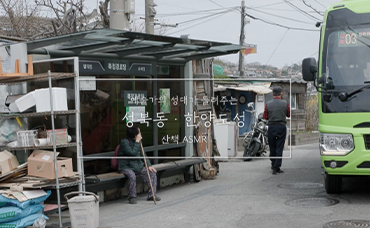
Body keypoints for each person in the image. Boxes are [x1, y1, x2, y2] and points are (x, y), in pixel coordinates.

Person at [118, 125, 161, 204]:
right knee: (132, 176)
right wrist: (137, 141)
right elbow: (132, 153)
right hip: (126, 166)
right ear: (135, 135)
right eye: (139, 133)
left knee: (152, 173)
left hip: (138, 165)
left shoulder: (138, 143)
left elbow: (143, 155)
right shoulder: (124, 142)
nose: (140, 135)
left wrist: (149, 165)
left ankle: (152, 195)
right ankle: (132, 196)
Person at [263, 86, 290, 175]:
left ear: (272, 94)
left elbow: (265, 117)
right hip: (281, 127)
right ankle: (276, 167)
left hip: (271, 127)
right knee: (279, 147)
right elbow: (288, 114)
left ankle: (273, 164)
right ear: (281, 93)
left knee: (272, 147)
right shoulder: (285, 104)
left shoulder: (268, 104)